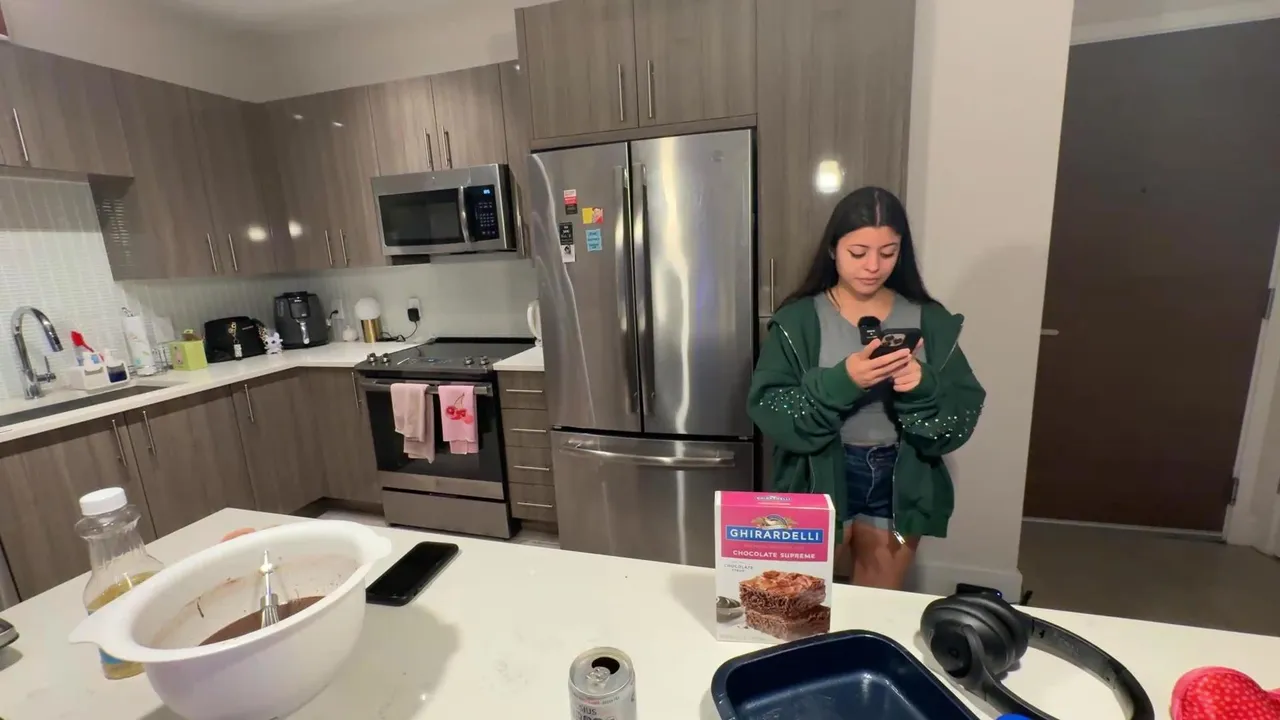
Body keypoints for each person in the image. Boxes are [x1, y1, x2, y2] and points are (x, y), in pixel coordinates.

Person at [747, 186, 985, 590]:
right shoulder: (798, 319)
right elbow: (770, 407)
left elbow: (961, 412)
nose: (873, 266)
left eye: (888, 253)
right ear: (832, 250)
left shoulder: (928, 319)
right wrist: (845, 380)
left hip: (899, 479)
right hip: (817, 473)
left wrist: (922, 385)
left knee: (876, 605)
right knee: (799, 601)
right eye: (858, 253)